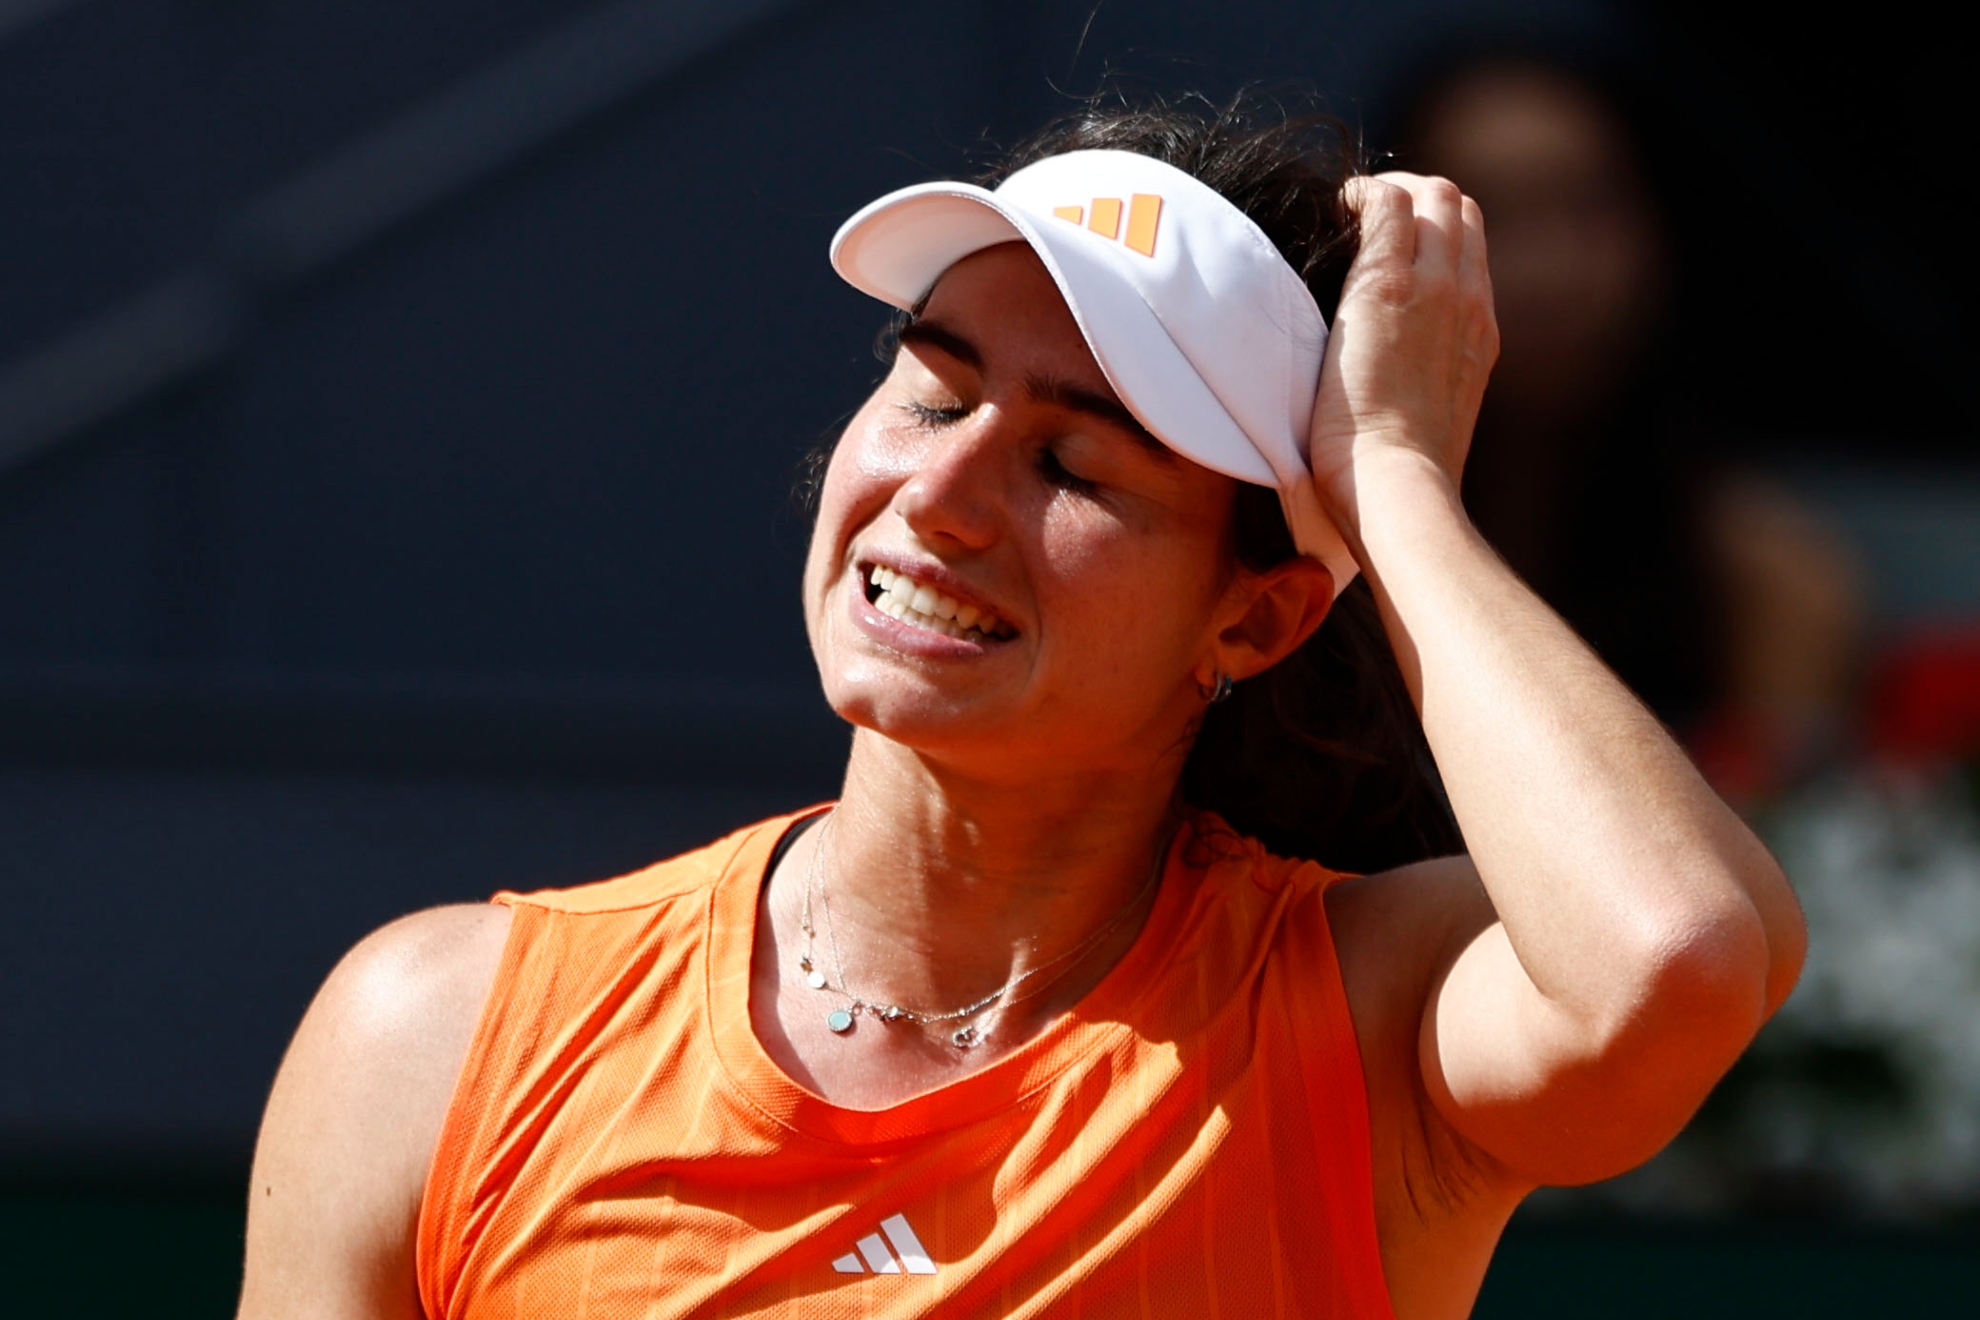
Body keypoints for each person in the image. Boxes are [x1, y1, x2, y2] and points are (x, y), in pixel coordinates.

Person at [236, 97, 1805, 1319]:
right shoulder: (428, 1035)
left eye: (1073, 465)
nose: (942, 491)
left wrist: (1391, 482)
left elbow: (1671, 956)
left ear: (1256, 615)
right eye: (931, 388)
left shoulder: (1361, 1028)